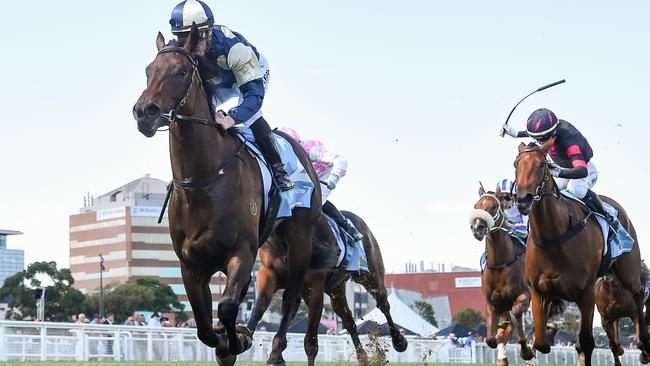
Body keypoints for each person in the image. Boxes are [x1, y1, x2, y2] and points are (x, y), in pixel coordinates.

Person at [169, 0, 293, 190]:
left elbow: (254, 97)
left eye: (195, 37)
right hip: (220, 81)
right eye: (183, 38)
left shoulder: (235, 49)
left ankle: (279, 170)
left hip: (250, 74)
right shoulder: (183, 49)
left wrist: (231, 118)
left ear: (208, 32)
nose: (190, 45)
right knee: (198, 110)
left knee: (250, 115)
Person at [502, 108, 617, 230]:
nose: (541, 143)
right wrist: (516, 134)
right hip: (563, 169)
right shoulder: (549, 130)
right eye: (537, 139)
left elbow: (582, 171)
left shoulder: (569, 140)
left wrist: (558, 172)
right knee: (544, 188)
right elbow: (535, 132)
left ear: (552, 132)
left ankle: (606, 214)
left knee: (575, 189)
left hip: (584, 172)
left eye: (542, 139)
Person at [279, 127, 363, 243]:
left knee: (316, 199)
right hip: (302, 175)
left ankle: (347, 226)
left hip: (322, 175)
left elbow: (341, 160)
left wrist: (334, 176)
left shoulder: (311, 151)